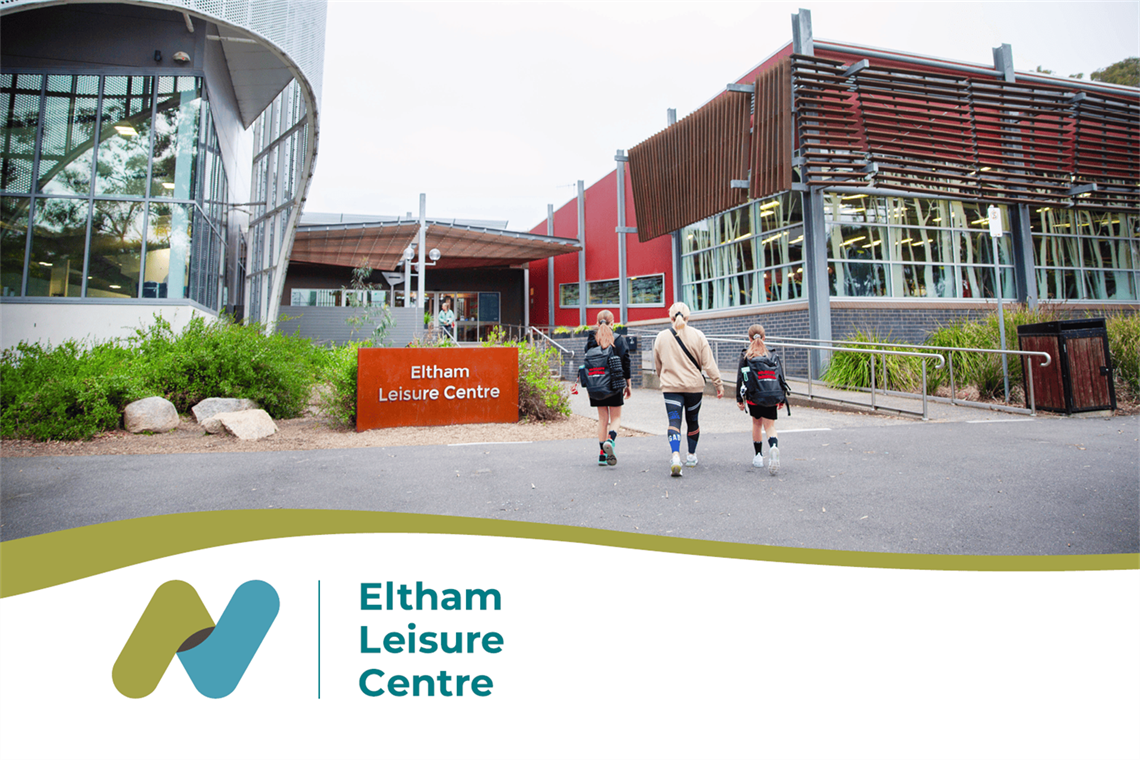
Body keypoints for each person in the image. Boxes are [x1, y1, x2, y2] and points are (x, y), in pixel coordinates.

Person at [652, 302, 723, 477]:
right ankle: (691, 456)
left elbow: (658, 364)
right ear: (688, 317)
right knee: (693, 420)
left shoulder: (661, 337)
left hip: (671, 387)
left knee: (674, 422)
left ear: (670, 317)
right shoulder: (698, 336)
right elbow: (709, 364)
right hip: (694, 387)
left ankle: (675, 456)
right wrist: (718, 383)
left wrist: (664, 377)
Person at [584, 310, 632, 466]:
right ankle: (610, 440)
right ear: (613, 323)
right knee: (616, 417)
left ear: (597, 323)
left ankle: (601, 455)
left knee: (602, 419)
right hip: (614, 384)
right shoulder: (618, 340)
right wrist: (628, 384)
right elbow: (626, 362)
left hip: (596, 384)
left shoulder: (591, 340)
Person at [735, 324, 783, 475]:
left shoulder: (746, 356)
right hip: (771, 395)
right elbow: (780, 377)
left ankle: (758, 456)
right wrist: (782, 398)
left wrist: (739, 399)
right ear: (764, 337)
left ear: (749, 338)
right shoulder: (773, 355)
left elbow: (740, 378)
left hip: (754, 397)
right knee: (770, 426)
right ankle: (773, 446)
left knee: (757, 424)